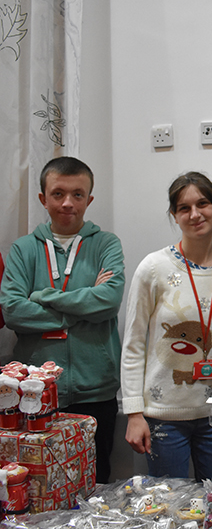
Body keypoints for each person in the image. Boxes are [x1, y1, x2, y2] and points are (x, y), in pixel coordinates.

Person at [0, 157, 125, 483]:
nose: (68, 203)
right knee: (40, 483)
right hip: (34, 392)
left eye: (78, 194)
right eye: (58, 194)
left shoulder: (106, 244)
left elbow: (109, 302)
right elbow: (12, 310)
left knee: (95, 480)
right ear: (43, 198)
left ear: (89, 199)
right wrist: (84, 305)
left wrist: (43, 296)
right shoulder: (23, 249)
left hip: (95, 389)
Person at [121, 172, 212, 481]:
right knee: (170, 507)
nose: (195, 214)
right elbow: (134, 343)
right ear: (174, 216)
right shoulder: (154, 268)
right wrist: (134, 412)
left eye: (202, 204)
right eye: (183, 208)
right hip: (164, 417)